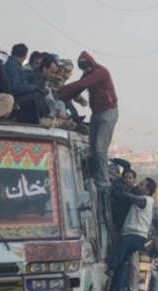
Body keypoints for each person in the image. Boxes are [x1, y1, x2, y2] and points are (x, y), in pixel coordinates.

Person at [57, 51, 118, 191]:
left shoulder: (100, 72)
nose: (85, 69)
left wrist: (61, 90)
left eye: (86, 66)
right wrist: (61, 96)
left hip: (108, 112)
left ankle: (103, 183)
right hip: (97, 113)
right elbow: (77, 89)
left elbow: (81, 84)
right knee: (92, 149)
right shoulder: (89, 73)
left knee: (100, 149)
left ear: (91, 63)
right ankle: (92, 178)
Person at [105, 178, 158, 291]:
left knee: (119, 254)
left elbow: (133, 198)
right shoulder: (143, 199)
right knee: (122, 264)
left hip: (134, 235)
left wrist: (120, 191)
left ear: (148, 189)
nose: (138, 186)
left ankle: (111, 268)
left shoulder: (146, 200)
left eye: (141, 185)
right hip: (135, 236)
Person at [4, 43, 50, 124]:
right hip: (15, 97)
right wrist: (33, 87)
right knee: (37, 95)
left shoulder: (12, 65)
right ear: (25, 56)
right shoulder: (13, 66)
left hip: (15, 96)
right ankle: (46, 119)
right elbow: (16, 87)